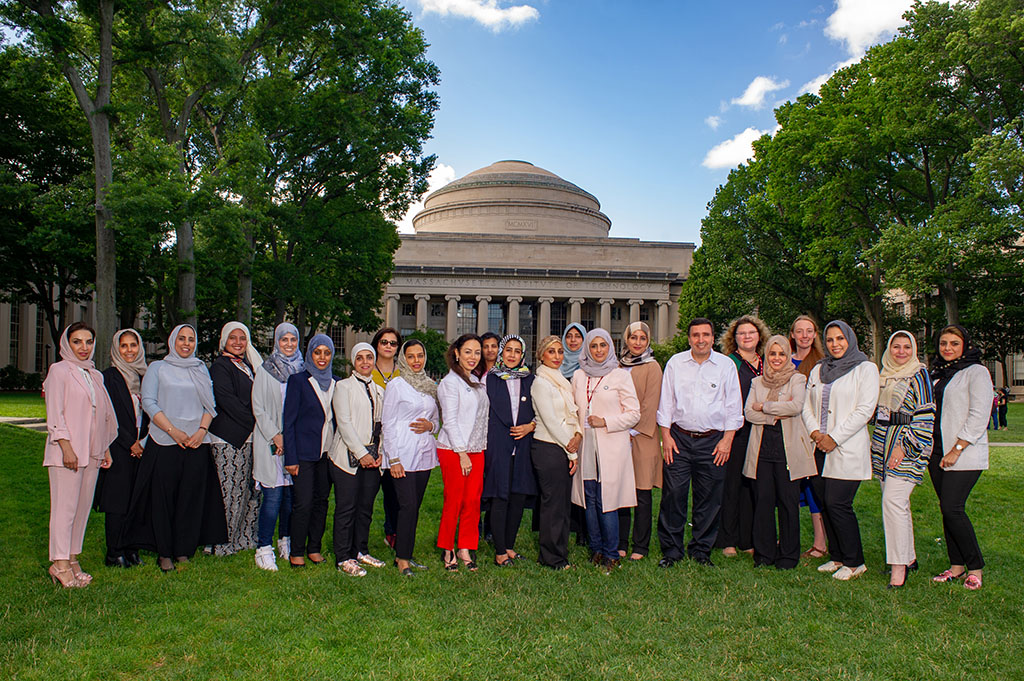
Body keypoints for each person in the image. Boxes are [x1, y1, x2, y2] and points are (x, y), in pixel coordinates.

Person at [132, 323, 226, 572]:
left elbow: (211, 405)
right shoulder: (158, 368)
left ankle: (183, 548)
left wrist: (201, 431)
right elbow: (149, 403)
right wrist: (174, 432)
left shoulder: (200, 369)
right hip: (165, 441)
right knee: (163, 500)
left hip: (196, 442)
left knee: (190, 498)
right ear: (173, 340)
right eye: (181, 338)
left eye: (191, 339)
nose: (186, 343)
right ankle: (164, 552)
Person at [657, 318, 743, 568]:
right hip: (679, 439)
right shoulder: (676, 363)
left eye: (705, 334)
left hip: (713, 442)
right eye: (696, 335)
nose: (701, 339)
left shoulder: (725, 366)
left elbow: (733, 406)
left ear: (712, 337)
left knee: (709, 498)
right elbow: (666, 403)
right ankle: (672, 550)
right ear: (689, 338)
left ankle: (701, 549)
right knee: (674, 496)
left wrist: (727, 441)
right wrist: (666, 437)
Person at [801, 320, 878, 581]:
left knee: (838, 503)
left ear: (850, 339)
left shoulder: (865, 369)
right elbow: (806, 405)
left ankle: (855, 562)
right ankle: (837, 557)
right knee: (824, 503)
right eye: (831, 340)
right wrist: (815, 433)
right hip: (818, 447)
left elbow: (865, 409)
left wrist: (833, 437)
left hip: (846, 447)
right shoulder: (819, 369)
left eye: (840, 339)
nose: (835, 344)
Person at [43, 323, 117, 587]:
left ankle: (73, 558)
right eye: (77, 342)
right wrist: (66, 447)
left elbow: (101, 415)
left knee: (82, 509)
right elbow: (55, 413)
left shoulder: (94, 374)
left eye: (88, 342)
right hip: (68, 453)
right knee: (65, 509)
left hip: (92, 453)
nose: (83, 348)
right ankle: (59, 564)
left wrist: (104, 447)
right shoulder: (59, 371)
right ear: (67, 343)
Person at [743, 335, 816, 569]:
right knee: (763, 503)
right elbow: (748, 413)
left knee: (788, 503)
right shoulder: (757, 382)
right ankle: (764, 554)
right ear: (766, 356)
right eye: (772, 354)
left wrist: (764, 407)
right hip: (762, 451)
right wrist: (775, 413)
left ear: (788, 356)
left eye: (781, 354)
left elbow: (796, 407)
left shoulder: (797, 379)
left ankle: (787, 556)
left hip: (788, 452)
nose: (776, 358)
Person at [571, 328, 640, 573]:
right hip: (586, 444)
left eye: (603, 345)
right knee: (589, 498)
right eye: (594, 346)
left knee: (606, 499)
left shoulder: (620, 376)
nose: (598, 350)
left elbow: (634, 414)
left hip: (610, 444)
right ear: (587, 348)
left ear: (610, 347)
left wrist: (607, 422)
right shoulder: (579, 376)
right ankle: (596, 549)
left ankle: (612, 553)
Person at [929, 325, 991, 590]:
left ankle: (974, 567)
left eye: (954, 343)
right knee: (946, 509)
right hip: (937, 452)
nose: (948, 348)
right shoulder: (938, 374)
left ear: (965, 345)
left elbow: (980, 414)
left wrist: (957, 448)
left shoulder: (976, 372)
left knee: (953, 508)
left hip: (962, 453)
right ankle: (955, 566)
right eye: (943, 343)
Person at [871, 331, 934, 588]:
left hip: (908, 443)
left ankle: (898, 568)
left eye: (907, 347)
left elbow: (926, 414)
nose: (901, 352)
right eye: (896, 347)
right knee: (899, 504)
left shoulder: (919, 374)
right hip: (882, 443)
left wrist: (904, 446)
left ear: (914, 349)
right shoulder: (882, 375)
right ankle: (909, 558)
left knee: (893, 502)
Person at [328, 342, 387, 576]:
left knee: (365, 508)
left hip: (372, 459)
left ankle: (360, 550)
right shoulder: (343, 387)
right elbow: (344, 423)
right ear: (354, 361)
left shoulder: (379, 390)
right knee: (346, 507)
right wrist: (360, 454)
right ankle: (343, 556)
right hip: (346, 458)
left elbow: (381, 425)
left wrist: (380, 451)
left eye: (369, 358)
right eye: (360, 358)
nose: (365, 362)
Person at [381, 340, 439, 576]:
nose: (417, 361)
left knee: (414, 508)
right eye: (411, 356)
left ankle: (406, 552)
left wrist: (431, 425)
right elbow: (388, 422)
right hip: (402, 454)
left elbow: (436, 422)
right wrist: (393, 459)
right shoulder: (397, 385)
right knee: (407, 505)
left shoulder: (429, 385)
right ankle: (402, 558)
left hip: (424, 455)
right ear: (403, 359)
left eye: (420, 356)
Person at [282, 333, 338, 568]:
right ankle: (296, 551)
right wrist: (291, 458)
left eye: (327, 353)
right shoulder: (298, 381)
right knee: (303, 503)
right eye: (318, 352)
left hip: (327, 455)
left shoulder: (337, 382)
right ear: (310, 354)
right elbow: (289, 421)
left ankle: (314, 547)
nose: (322, 357)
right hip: (304, 456)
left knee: (321, 502)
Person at [95, 328, 149, 569]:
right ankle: (114, 552)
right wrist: (130, 442)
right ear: (116, 349)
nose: (129, 351)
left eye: (133, 345)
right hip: (119, 447)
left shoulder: (146, 376)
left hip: (143, 447)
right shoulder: (109, 377)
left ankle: (131, 549)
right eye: (124, 346)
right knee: (117, 502)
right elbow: (109, 415)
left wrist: (143, 442)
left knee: (137, 501)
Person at [716, 315, 770, 557]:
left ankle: (748, 538)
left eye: (751, 333)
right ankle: (727, 539)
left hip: (762, 431)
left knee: (754, 486)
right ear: (734, 338)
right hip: (736, 431)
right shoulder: (729, 363)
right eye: (742, 333)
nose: (747, 337)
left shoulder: (767, 362)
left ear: (759, 336)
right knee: (732, 486)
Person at [208, 321, 262, 556]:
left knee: (249, 491)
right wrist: (258, 421)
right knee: (229, 492)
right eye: (233, 338)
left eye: (242, 338)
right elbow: (226, 401)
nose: (238, 343)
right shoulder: (220, 367)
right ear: (224, 341)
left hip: (250, 439)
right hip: (229, 439)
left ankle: (244, 538)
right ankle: (220, 543)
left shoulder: (248, 366)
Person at [251, 323, 302, 571]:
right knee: (272, 498)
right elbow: (258, 407)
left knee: (290, 499)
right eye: (284, 340)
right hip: (270, 441)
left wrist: (291, 438)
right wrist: (276, 435)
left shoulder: (302, 369)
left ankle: (285, 541)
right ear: (277, 342)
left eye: (293, 340)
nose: (289, 344)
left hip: (293, 443)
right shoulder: (266, 369)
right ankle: (263, 548)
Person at [436, 334, 488, 571]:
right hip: (454, 450)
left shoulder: (475, 381)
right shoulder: (450, 383)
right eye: (468, 351)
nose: (473, 357)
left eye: (477, 352)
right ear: (456, 353)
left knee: (472, 501)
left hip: (477, 449)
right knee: (454, 500)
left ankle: (466, 546)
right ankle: (447, 548)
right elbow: (450, 420)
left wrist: (475, 449)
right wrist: (462, 453)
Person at [484, 334, 537, 566]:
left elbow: (540, 410)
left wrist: (531, 426)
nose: (512, 354)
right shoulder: (490, 378)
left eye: (517, 351)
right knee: (500, 496)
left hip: (524, 443)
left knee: (517, 496)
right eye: (508, 350)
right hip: (499, 443)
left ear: (522, 354)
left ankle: (509, 546)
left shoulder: (531, 379)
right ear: (501, 353)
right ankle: (499, 552)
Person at [531, 335, 581, 569]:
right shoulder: (540, 382)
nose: (557, 356)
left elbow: (573, 414)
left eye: (560, 352)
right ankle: (551, 557)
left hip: (564, 446)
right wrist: (571, 451)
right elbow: (551, 421)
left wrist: (577, 435)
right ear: (541, 355)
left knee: (563, 504)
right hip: (549, 447)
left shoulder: (562, 380)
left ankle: (560, 552)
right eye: (551, 352)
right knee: (553, 505)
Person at [616, 321, 662, 562]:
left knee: (642, 494)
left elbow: (651, 404)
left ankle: (641, 545)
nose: (637, 342)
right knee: (622, 491)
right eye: (633, 337)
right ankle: (621, 542)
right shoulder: (618, 365)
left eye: (642, 338)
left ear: (648, 341)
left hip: (642, 437)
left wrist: (631, 430)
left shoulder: (652, 367)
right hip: (619, 437)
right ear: (626, 339)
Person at [790, 315, 828, 559]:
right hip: (787, 432)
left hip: (812, 434)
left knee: (815, 490)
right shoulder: (783, 361)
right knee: (789, 490)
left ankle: (820, 542)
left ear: (815, 335)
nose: (804, 335)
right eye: (799, 331)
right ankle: (789, 537)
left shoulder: (823, 365)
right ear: (792, 334)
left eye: (809, 331)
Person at [370, 327, 402, 551]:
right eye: (384, 342)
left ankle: (392, 533)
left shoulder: (403, 374)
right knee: (367, 493)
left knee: (395, 494)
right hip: (370, 439)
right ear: (377, 345)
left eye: (393, 343)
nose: (388, 346)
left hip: (396, 441)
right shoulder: (366, 369)